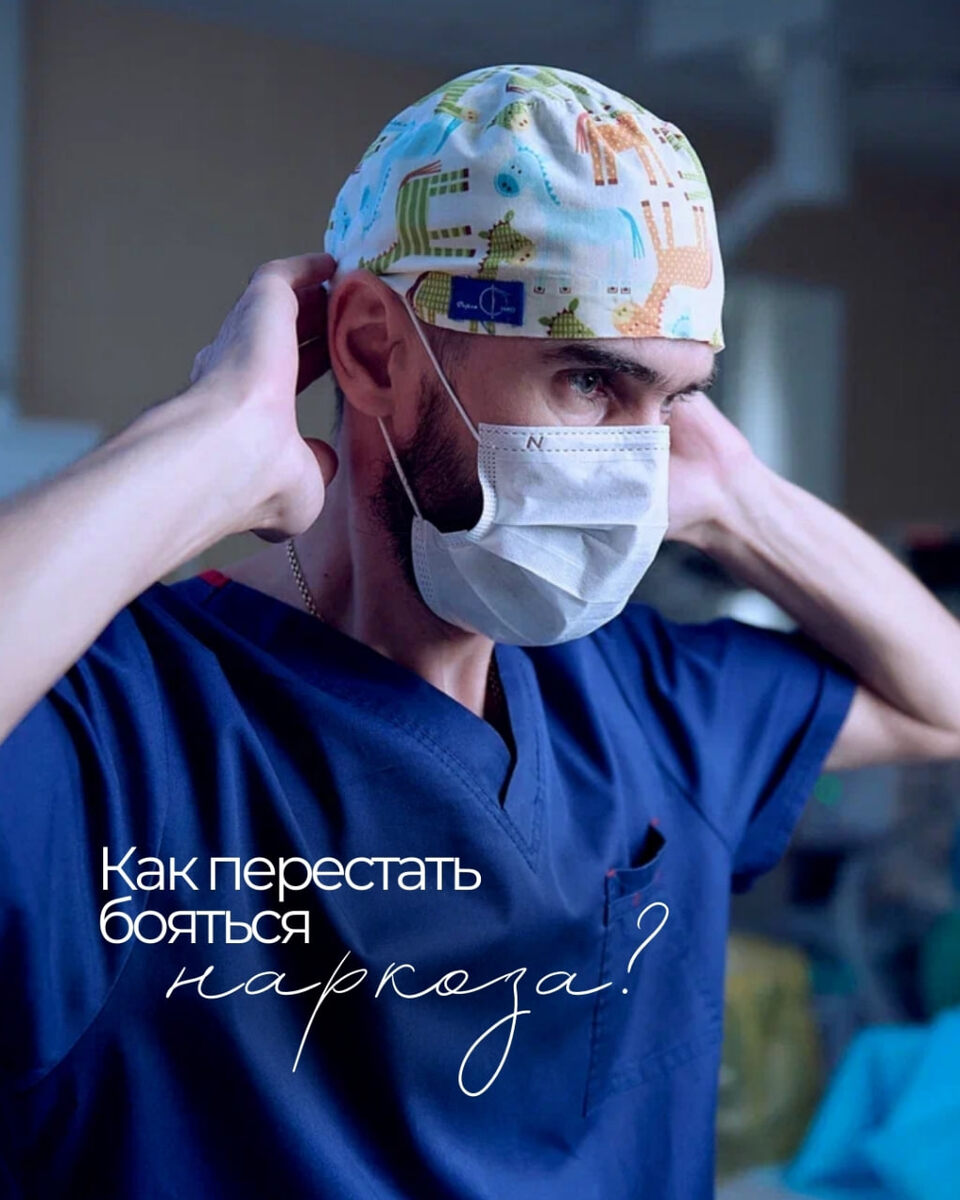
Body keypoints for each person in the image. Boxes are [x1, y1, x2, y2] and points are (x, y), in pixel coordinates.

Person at [0, 62, 958, 1200]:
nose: (637, 464)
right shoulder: (122, 735)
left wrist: (737, 498)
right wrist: (199, 450)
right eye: (591, 381)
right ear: (376, 353)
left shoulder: (646, 702)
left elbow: (941, 700)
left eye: (674, 400)